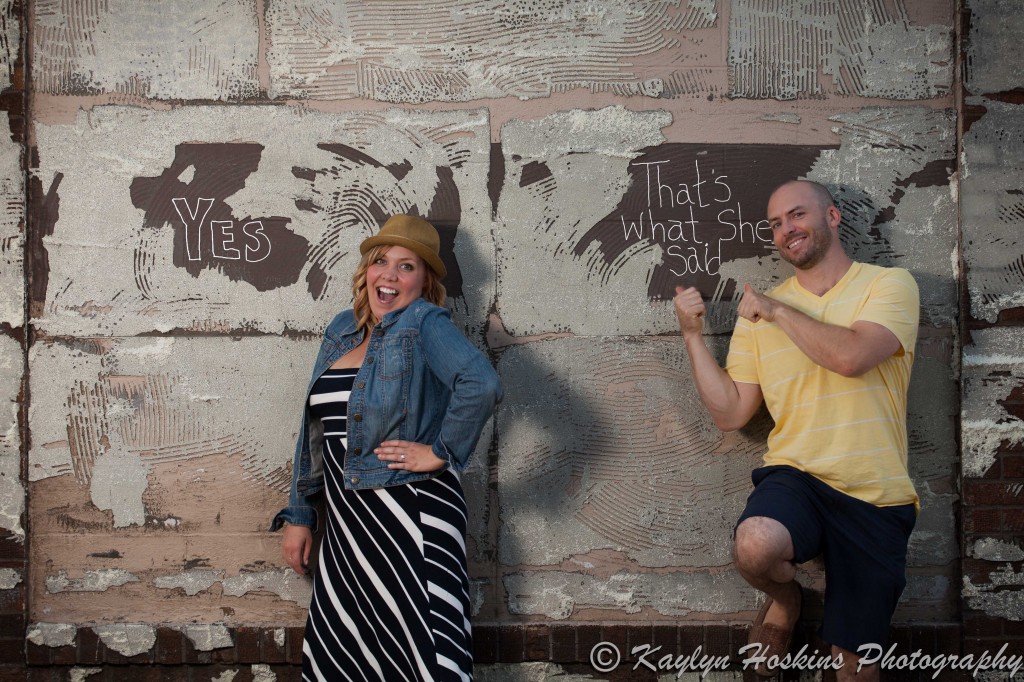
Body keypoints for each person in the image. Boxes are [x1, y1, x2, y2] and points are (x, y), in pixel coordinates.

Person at [673, 180, 919, 681]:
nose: (786, 230)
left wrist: (779, 311)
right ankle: (786, 598)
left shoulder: (888, 285)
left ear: (831, 217)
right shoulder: (757, 315)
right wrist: (693, 337)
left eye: (796, 215)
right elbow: (732, 413)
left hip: (873, 491)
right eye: (776, 224)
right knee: (754, 545)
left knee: (855, 672)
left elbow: (851, 357)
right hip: (798, 476)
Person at [271, 214, 502, 682]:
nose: (390, 276)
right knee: (345, 650)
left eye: (406, 266)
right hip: (347, 520)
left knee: (422, 651)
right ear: (366, 271)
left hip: (409, 511)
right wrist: (300, 515)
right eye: (381, 262)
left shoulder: (424, 322)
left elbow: (481, 383)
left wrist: (439, 451)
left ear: (425, 279)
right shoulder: (342, 330)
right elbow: (313, 433)